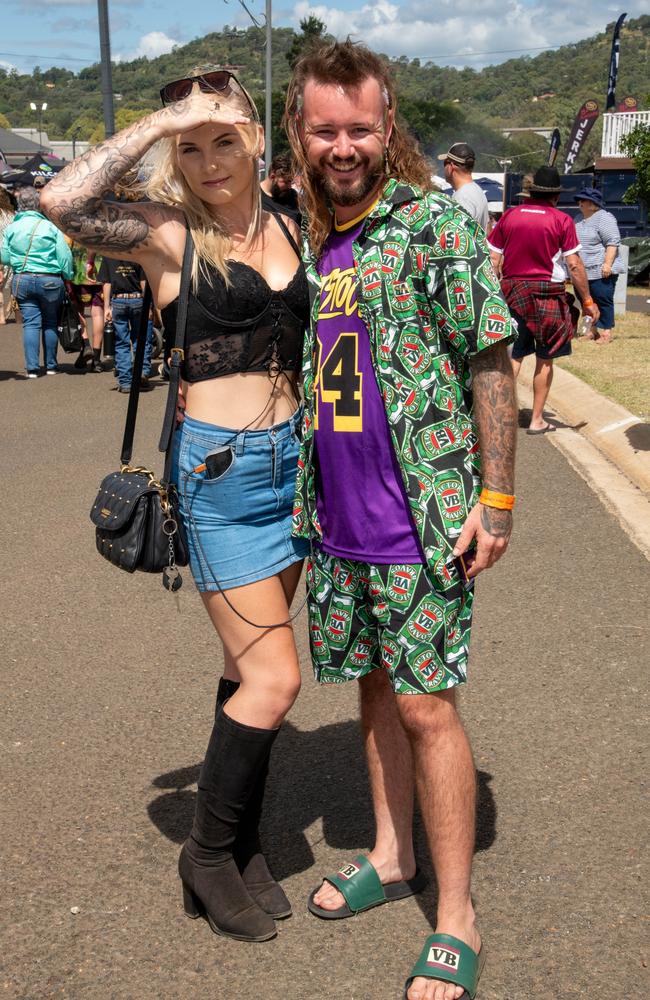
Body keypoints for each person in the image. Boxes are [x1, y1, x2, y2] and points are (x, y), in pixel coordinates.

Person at [41, 65, 309, 943]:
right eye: (189, 147)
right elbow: (62, 201)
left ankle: (241, 845)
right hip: (221, 479)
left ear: (259, 138)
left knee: (245, 671)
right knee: (277, 677)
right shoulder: (163, 233)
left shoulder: (291, 224)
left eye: (225, 137)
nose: (208, 159)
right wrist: (164, 124)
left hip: (294, 471)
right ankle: (203, 853)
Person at [285, 40, 517, 1000]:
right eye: (325, 129)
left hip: (423, 521)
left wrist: (495, 499)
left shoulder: (434, 228)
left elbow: (490, 360)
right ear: (301, 133)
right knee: (375, 689)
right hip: (338, 523)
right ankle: (392, 854)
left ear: (390, 128)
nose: (345, 145)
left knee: (428, 705)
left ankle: (455, 916)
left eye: (361, 128)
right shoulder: (307, 235)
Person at [487, 166, 600, 435]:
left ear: (531, 192)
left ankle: (498, 417)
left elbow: (493, 260)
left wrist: (494, 293)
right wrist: (587, 301)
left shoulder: (510, 216)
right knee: (545, 359)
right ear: (556, 196)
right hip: (548, 294)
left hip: (513, 293)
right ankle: (537, 420)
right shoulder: (562, 221)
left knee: (513, 356)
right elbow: (574, 265)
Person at [1, 185, 73, 377]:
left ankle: (32, 368)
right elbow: (64, 255)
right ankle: (51, 365)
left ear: (20, 204)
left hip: (22, 277)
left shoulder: (12, 228)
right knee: (50, 321)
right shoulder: (50, 226)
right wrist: (68, 274)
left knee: (31, 323)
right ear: (38, 204)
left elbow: (4, 257)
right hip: (49, 279)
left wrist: (17, 261)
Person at [574, 186, 625, 344]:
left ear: (592, 203)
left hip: (601, 270)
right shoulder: (577, 218)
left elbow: (612, 242)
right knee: (586, 301)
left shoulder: (605, 218)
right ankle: (590, 331)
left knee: (603, 300)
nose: (579, 203)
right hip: (583, 271)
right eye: (579, 200)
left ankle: (606, 332)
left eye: (583, 200)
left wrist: (607, 264)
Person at [97, 255, 154, 392]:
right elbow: (143, 281)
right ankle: (142, 372)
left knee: (121, 343)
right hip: (138, 300)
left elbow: (107, 283)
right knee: (140, 339)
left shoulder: (109, 255)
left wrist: (106, 307)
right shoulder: (137, 254)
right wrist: (149, 306)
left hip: (118, 301)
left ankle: (125, 382)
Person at [67, 241, 105, 372]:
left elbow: (66, 243)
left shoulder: (74, 221)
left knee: (78, 310)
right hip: (101, 269)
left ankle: (86, 344)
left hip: (78, 270)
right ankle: (97, 360)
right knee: (98, 312)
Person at [438, 143, 490, 232]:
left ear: (451, 166)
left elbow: (458, 238)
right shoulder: (477, 190)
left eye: (445, 163)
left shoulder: (462, 198)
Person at [0, 186, 16, 325]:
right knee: (13, 286)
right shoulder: (13, 214)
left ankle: (1, 317)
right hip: (13, 253)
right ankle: (18, 317)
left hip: (0, 253)